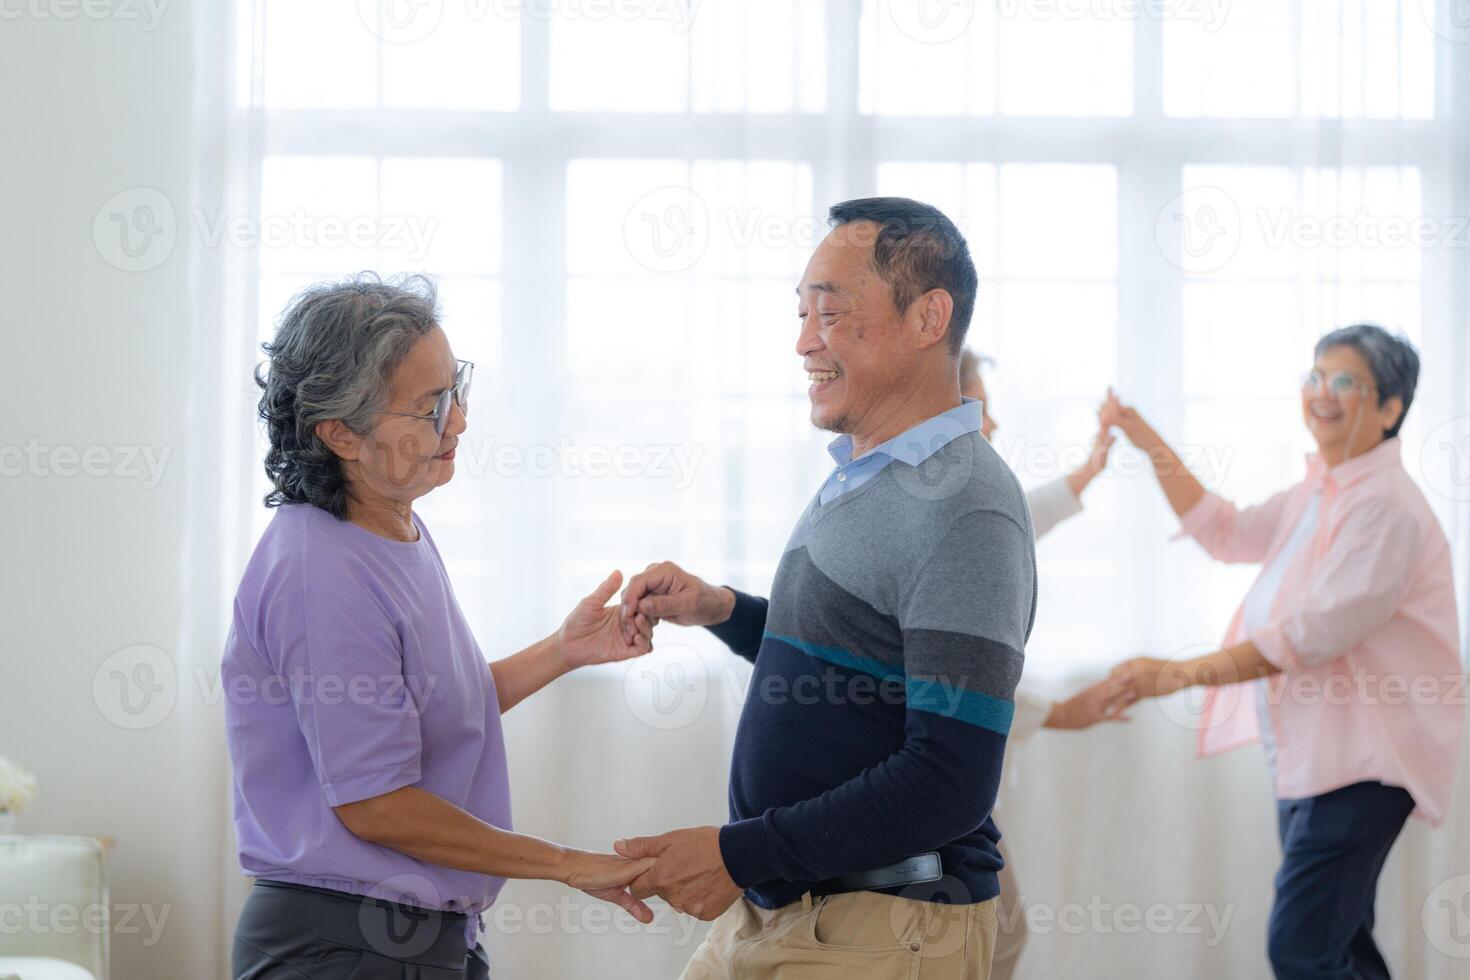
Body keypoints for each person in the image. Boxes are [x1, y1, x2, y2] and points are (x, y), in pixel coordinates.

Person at [613, 198, 1036, 980]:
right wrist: (725, 611)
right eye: (802, 313)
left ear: (927, 317)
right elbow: (868, 660)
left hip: (883, 929)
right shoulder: (868, 476)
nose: (805, 341)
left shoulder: (966, 506)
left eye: (831, 314)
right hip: (790, 911)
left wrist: (738, 854)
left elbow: (950, 781)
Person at [223, 275, 658, 980]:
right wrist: (569, 865)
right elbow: (376, 805)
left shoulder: (393, 526)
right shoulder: (320, 569)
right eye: (431, 407)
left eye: (455, 390)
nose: (457, 423)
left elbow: (420, 718)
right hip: (342, 946)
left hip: (413, 936)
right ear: (341, 433)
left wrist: (564, 650)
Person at [1097, 325, 1463, 980]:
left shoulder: (1384, 509)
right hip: (1316, 759)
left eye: (1345, 381)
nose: (1323, 392)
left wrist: (1175, 674)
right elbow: (1226, 530)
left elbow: (1306, 636)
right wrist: (1143, 435)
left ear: (1389, 409)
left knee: (1300, 949)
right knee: (1340, 943)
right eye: (1315, 377)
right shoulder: (1321, 491)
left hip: (1366, 763)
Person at [959, 350, 1122, 980]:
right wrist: (1058, 713)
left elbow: (1023, 521)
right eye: (981, 412)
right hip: (929, 785)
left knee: (1000, 933)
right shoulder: (946, 522)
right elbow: (956, 683)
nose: (993, 428)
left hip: (942, 784)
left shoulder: (967, 513)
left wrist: (1092, 465)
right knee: (998, 934)